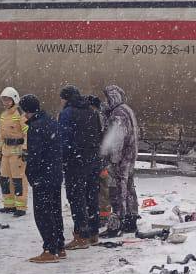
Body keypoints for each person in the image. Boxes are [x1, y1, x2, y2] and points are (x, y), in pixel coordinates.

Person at [18, 94, 66, 263]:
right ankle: (60, 247)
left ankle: (49, 250)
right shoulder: (52, 121)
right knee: (55, 211)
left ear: (27, 111)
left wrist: (32, 175)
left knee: (43, 214)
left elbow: (35, 156)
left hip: (43, 177)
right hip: (55, 175)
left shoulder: (36, 127)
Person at [57, 85, 103, 250]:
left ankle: (80, 236)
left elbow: (63, 139)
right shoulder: (92, 112)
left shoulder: (67, 113)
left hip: (75, 163)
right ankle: (93, 233)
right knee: (92, 196)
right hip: (92, 161)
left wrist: (64, 158)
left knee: (76, 198)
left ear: (67, 98)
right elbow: (99, 136)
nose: (61, 101)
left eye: (62, 98)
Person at [100, 85, 140, 237]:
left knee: (117, 190)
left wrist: (113, 159)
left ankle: (117, 223)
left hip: (121, 159)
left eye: (107, 98)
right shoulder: (126, 110)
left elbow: (116, 139)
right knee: (129, 188)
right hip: (129, 157)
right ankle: (131, 220)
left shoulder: (118, 114)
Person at [0, 87, 27, 217]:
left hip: (17, 153)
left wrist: (25, 149)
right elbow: (1, 135)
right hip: (6, 153)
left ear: (14, 99)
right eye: (4, 100)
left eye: (8, 100)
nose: (6, 102)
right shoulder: (3, 115)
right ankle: (9, 205)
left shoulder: (20, 114)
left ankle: (21, 207)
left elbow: (27, 133)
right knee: (4, 179)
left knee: (18, 180)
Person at [88, 95, 113, 230]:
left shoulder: (98, 117)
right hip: (101, 159)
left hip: (100, 159)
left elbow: (102, 143)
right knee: (102, 189)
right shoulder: (102, 116)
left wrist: (102, 164)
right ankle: (102, 215)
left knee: (102, 189)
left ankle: (103, 216)